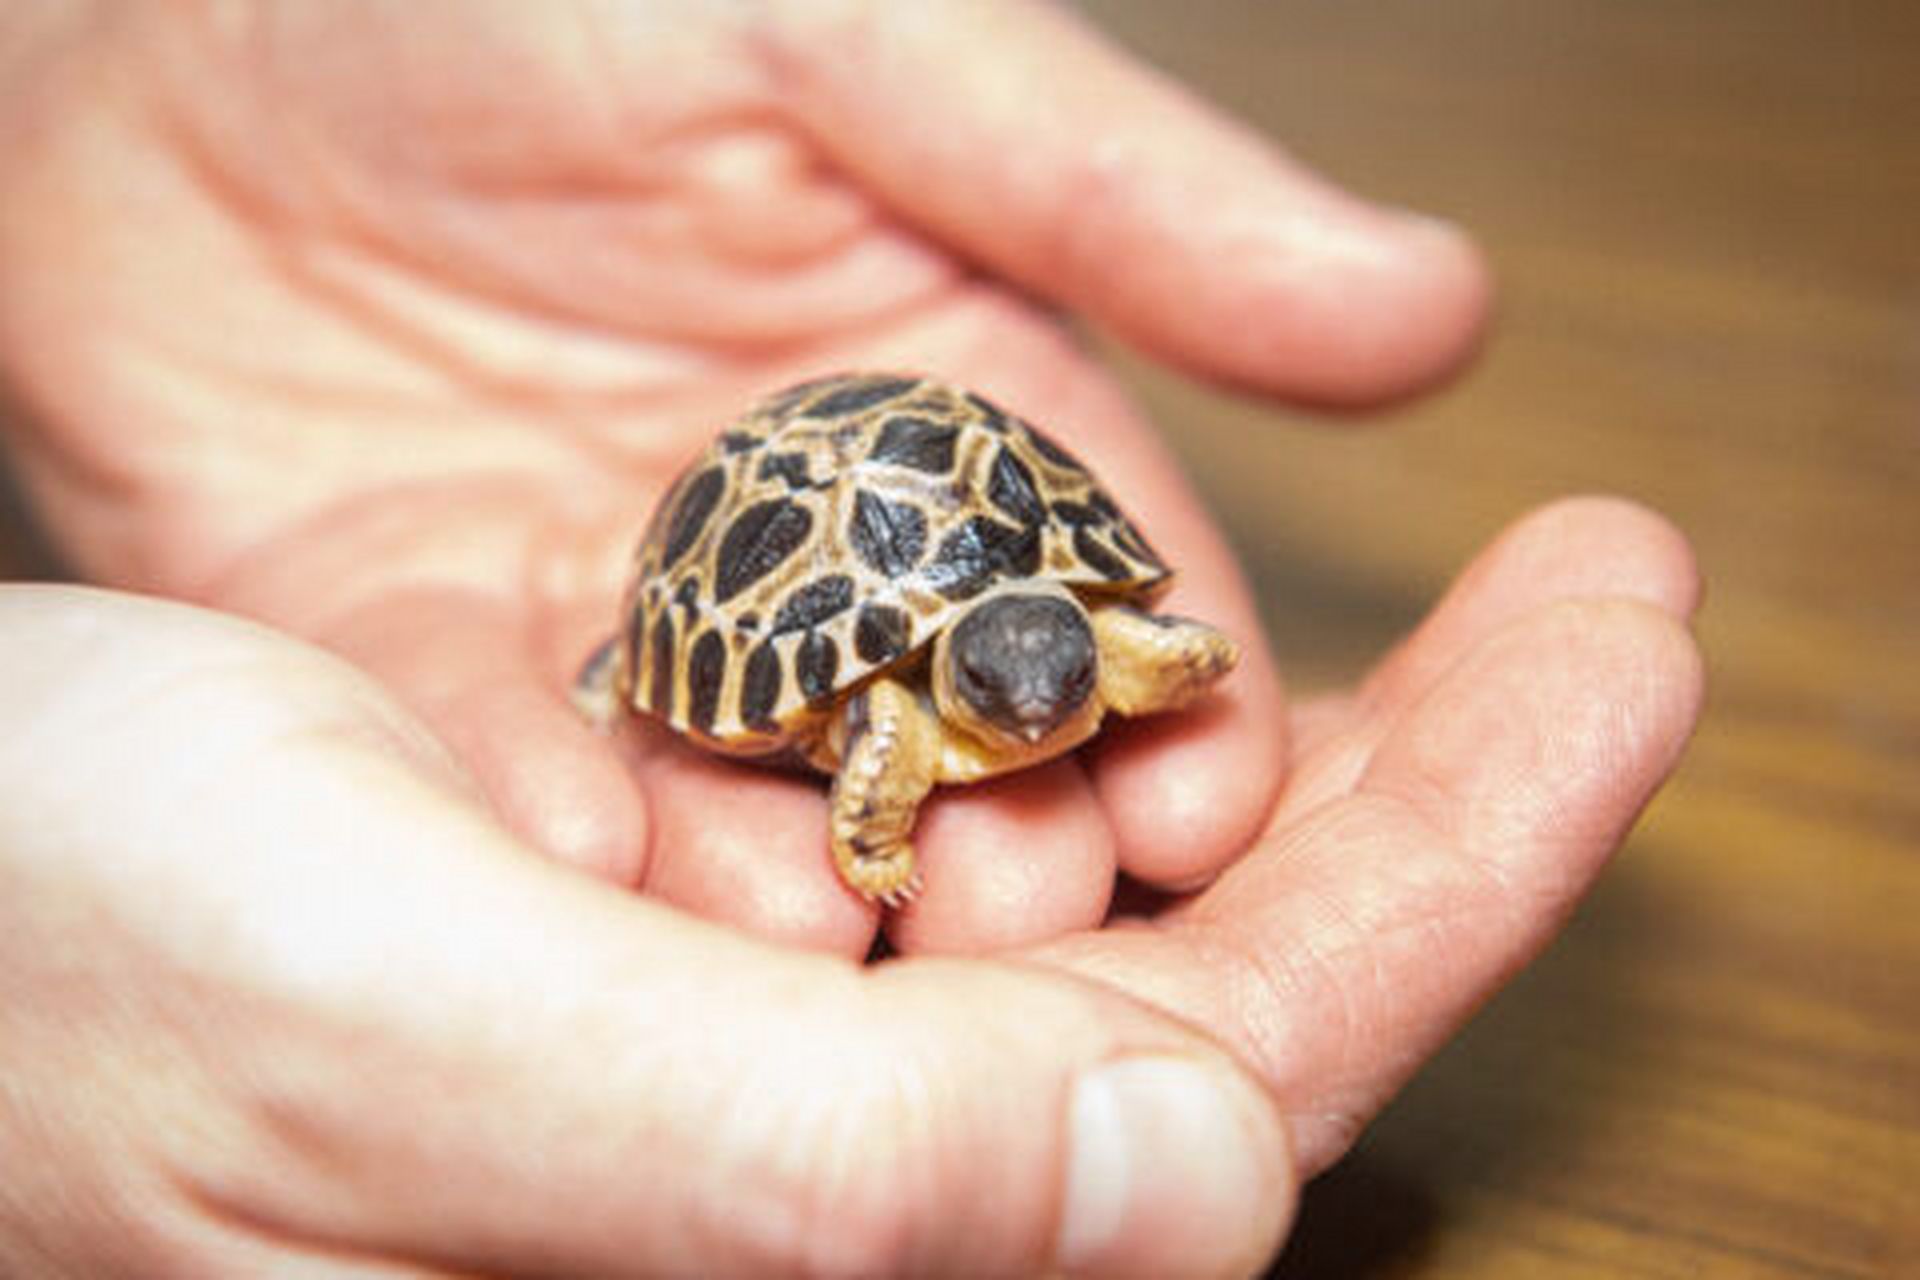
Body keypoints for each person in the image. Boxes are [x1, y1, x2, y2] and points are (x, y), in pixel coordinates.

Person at [0, 4, 1704, 1275]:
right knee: (749, 788)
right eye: (995, 692)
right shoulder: (903, 705)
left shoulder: (1068, 656)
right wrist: (874, 824)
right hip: (768, 520)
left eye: (1058, 678)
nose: (1032, 718)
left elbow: (1139, 655)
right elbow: (891, 738)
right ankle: (630, 665)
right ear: (954, 677)